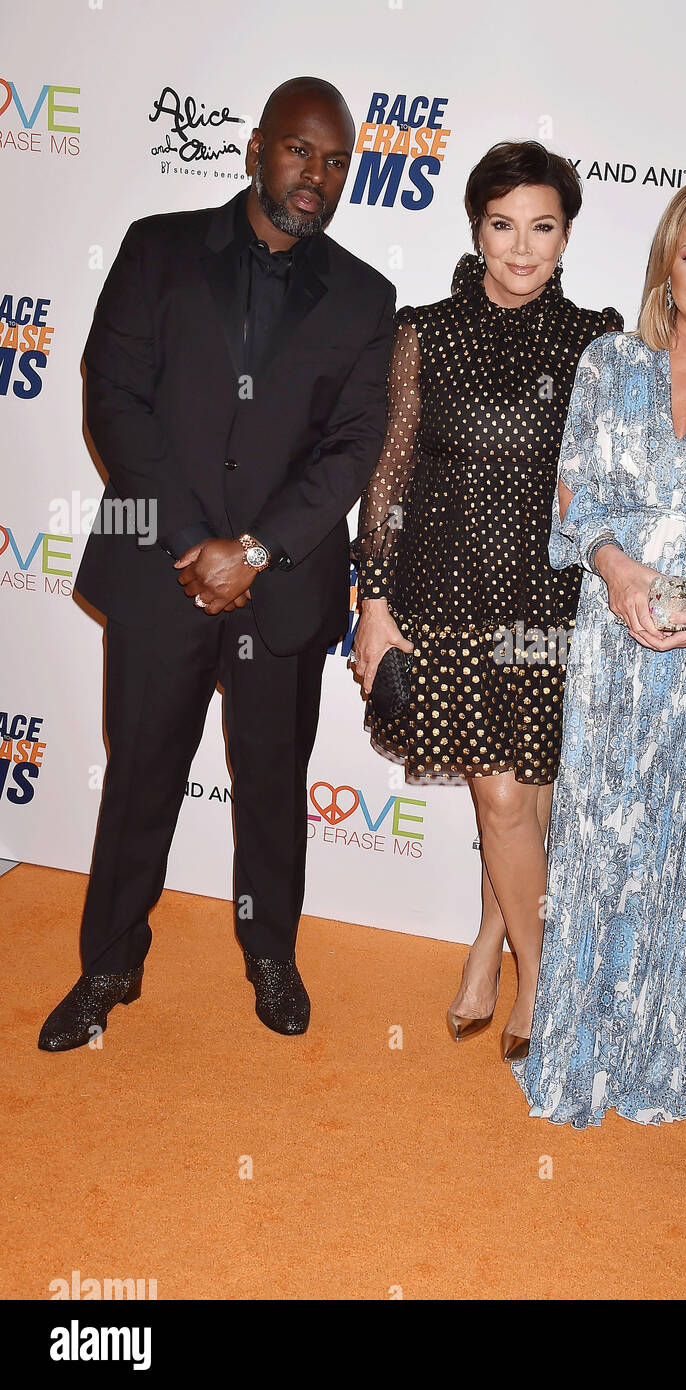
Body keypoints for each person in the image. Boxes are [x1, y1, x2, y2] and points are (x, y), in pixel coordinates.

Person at [38, 77, 395, 1050]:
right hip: (163, 573)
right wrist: (197, 543)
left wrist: (257, 551)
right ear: (253, 148)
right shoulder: (158, 248)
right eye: (297, 150)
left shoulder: (365, 298)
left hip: (282, 589)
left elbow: (352, 449)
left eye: (334, 161)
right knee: (140, 773)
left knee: (273, 783)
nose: (314, 174)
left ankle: (269, 953)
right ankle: (108, 964)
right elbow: (112, 398)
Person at [512, 178, 686, 1126]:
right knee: (598, 846)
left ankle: (672, 1069)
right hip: (611, 641)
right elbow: (577, 495)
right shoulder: (609, 364)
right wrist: (621, 575)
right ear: (665, 269)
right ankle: (582, 1059)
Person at [350, 141, 621, 1060]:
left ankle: (486, 945)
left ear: (566, 235)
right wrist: (373, 606)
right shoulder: (423, 331)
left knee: (529, 805)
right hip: (448, 603)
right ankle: (543, 981)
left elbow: (612, 479)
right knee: (502, 801)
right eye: (503, 225)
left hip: (551, 607)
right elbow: (386, 479)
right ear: (476, 227)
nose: (520, 247)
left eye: (541, 227)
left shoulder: (598, 341)